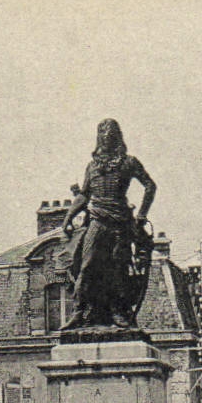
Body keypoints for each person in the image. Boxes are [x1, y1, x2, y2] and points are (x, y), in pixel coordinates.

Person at [58, 118, 157, 330]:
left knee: (118, 268)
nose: (105, 137)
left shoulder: (129, 163)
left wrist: (141, 215)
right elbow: (84, 195)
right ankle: (80, 311)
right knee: (86, 265)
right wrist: (68, 217)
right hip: (97, 220)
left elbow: (150, 186)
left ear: (117, 137)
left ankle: (118, 311)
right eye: (102, 133)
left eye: (110, 133)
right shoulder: (92, 166)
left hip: (120, 222)